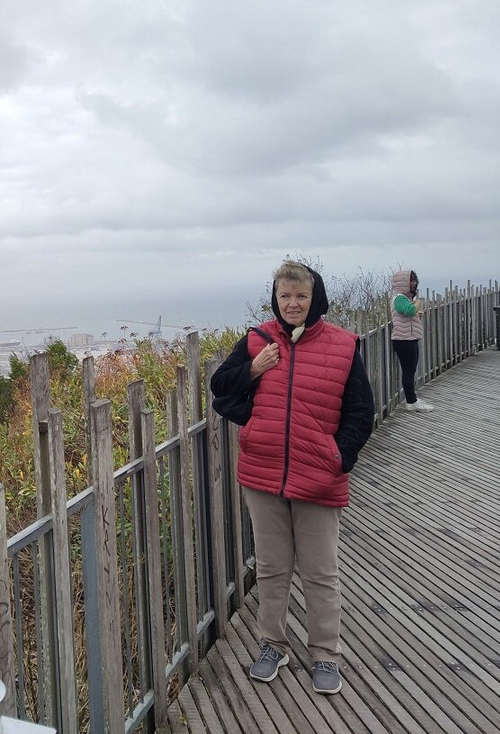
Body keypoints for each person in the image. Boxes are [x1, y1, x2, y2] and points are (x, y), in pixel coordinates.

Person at [210, 260, 375, 695]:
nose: (293, 303)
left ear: (314, 297)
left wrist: (339, 458)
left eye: (301, 296)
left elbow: (361, 412)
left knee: (320, 571)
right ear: (276, 298)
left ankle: (325, 653)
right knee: (271, 567)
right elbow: (220, 389)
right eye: (286, 296)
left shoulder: (342, 345)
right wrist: (254, 372)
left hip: (319, 477)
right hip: (262, 476)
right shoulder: (258, 340)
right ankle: (273, 644)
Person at [390, 269, 432, 411]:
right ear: (403, 283)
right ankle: (411, 401)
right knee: (408, 372)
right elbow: (409, 311)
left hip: (408, 338)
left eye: (414, 280)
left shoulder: (404, 298)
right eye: (411, 280)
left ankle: (412, 399)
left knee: (410, 371)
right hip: (404, 340)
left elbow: (407, 315)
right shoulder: (399, 298)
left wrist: (416, 314)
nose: (414, 283)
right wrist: (417, 304)